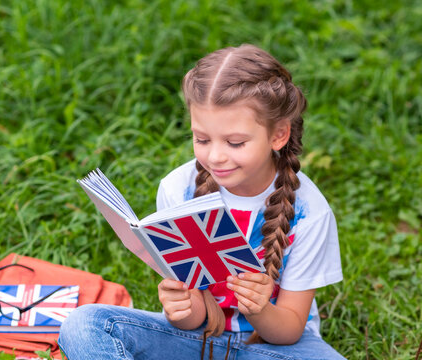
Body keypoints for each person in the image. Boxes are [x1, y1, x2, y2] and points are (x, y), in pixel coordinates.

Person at [59, 44, 344, 359]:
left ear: (278, 135)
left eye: (235, 142)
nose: (216, 157)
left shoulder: (309, 211)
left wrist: (259, 308)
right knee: (84, 324)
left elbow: (288, 332)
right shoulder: (178, 188)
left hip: (276, 350)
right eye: (202, 139)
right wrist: (179, 307)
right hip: (197, 342)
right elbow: (191, 320)